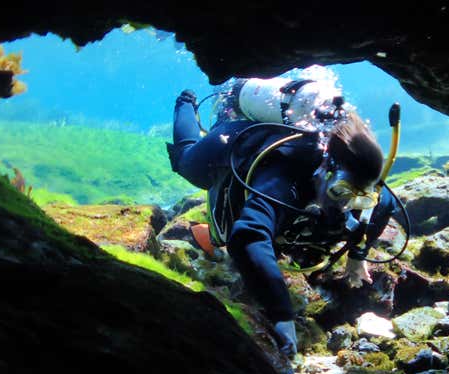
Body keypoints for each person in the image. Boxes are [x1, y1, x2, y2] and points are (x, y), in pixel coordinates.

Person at [167, 82, 397, 359]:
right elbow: (248, 235)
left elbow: (385, 206)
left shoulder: (365, 178)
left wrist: (357, 255)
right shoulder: (285, 173)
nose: (346, 206)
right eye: (340, 193)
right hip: (235, 139)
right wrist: (281, 315)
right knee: (186, 162)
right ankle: (186, 100)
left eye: (360, 198)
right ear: (326, 170)